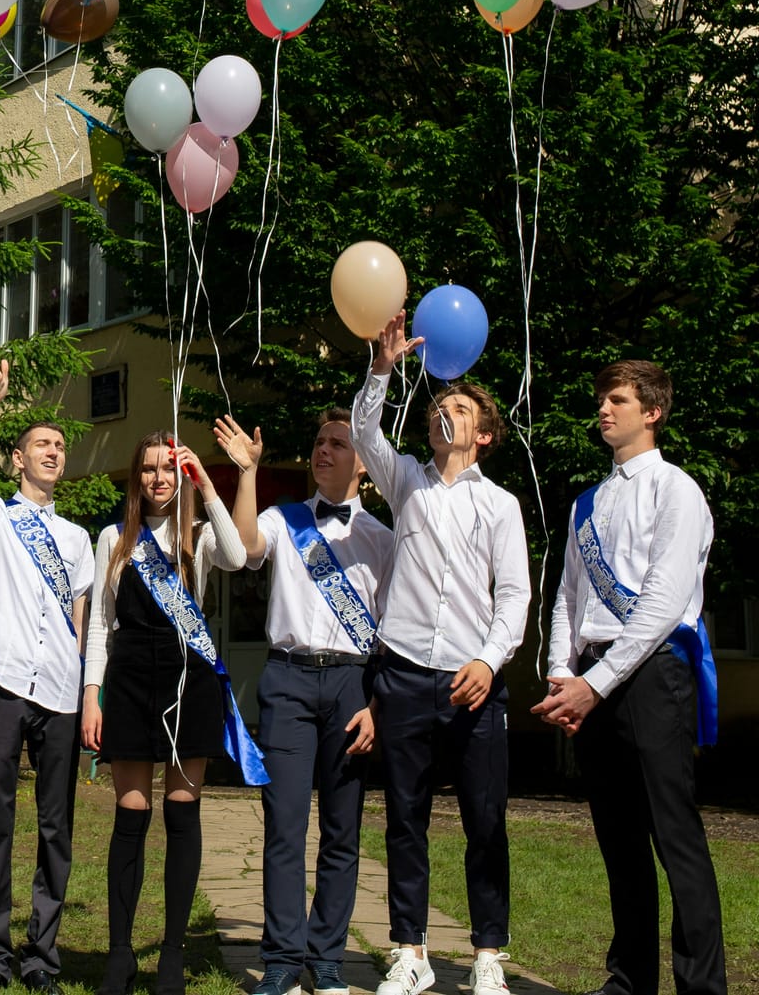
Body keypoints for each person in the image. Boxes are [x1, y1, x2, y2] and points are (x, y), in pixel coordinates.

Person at [531, 360, 725, 995]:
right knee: (619, 840)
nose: (604, 409)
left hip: (652, 674)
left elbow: (664, 602)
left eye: (617, 399)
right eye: (602, 399)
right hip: (592, 678)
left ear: (653, 411)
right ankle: (629, 981)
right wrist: (562, 672)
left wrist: (597, 682)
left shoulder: (676, 490)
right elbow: (567, 597)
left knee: (675, 837)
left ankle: (702, 987)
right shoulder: (586, 502)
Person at [357, 312, 529, 995]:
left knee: (486, 820)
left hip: (472, 679)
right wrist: (382, 368)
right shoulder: (406, 481)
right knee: (405, 819)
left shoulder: (503, 505)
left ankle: (487, 954)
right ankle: (411, 951)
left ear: (483, 433)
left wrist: (488, 660)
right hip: (402, 675)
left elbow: (514, 595)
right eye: (437, 407)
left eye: (458, 409)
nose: (442, 414)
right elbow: (365, 433)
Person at [83, 428, 265, 995]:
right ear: (136, 477)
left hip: (190, 680)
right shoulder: (114, 537)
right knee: (131, 815)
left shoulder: (199, 536)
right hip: (130, 679)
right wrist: (92, 695)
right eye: (148, 468)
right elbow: (100, 624)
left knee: (182, 814)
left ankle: (171, 954)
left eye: (168, 468)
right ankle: (119, 954)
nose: (158, 478)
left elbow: (238, 557)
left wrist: (206, 481)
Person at [221, 410, 391, 995]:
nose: (323, 450)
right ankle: (282, 958)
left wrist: (378, 704)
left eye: (338, 443)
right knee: (284, 825)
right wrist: (248, 473)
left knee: (343, 830)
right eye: (319, 441)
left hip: (352, 686)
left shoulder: (383, 539)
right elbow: (244, 547)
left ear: (362, 462)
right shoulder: (283, 518)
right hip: (288, 680)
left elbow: (396, 630)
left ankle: (328, 958)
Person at [0, 356, 95, 995]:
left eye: (60, 447)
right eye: (42, 444)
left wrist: (86, 687)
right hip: (4, 680)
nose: (53, 452)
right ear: (19, 459)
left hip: (61, 692)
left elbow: (81, 620)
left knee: (55, 828)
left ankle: (41, 956)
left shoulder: (76, 538)